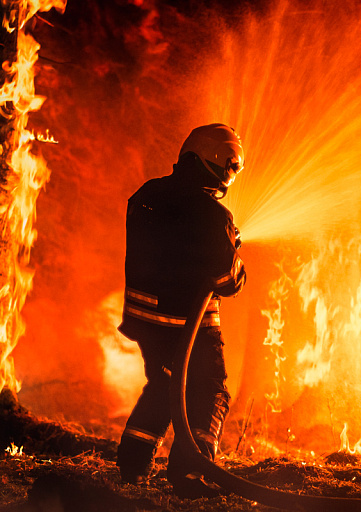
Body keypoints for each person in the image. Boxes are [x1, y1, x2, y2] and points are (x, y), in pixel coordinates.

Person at [116, 123, 247, 498]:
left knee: (163, 388)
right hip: (190, 328)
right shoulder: (214, 215)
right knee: (210, 393)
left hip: (145, 323)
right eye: (232, 166)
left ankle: (132, 464)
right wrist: (233, 250)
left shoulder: (146, 195)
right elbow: (228, 280)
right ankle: (192, 472)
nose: (231, 174)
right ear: (217, 161)